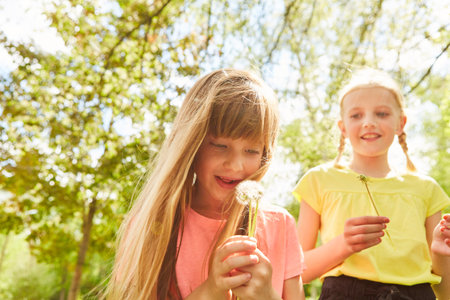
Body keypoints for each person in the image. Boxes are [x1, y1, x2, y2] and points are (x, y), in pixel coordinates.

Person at [107, 69, 305, 300]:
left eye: (251, 150)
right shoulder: (149, 226)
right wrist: (210, 292)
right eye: (220, 145)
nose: (236, 165)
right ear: (192, 143)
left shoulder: (280, 225)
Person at [293, 67, 450, 300]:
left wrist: (442, 254)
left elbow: (445, 291)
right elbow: (296, 271)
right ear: (343, 128)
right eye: (356, 115)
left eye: (382, 114)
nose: (368, 122)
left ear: (401, 123)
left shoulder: (425, 188)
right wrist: (344, 244)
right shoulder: (319, 180)